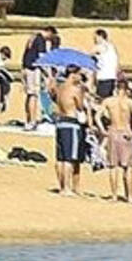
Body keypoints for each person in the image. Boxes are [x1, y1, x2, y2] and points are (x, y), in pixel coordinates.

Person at [98, 85, 132, 202]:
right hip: (126, 131)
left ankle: (114, 195)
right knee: (128, 167)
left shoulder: (108, 101)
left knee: (113, 166)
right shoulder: (129, 102)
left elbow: (97, 116)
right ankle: (130, 197)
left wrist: (102, 130)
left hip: (113, 131)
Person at [51, 68, 90, 196]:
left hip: (60, 122)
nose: (81, 77)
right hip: (71, 123)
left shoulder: (60, 88)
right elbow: (79, 106)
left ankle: (62, 186)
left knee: (60, 158)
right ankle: (66, 188)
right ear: (73, 75)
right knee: (69, 158)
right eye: (80, 75)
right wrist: (84, 93)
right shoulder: (75, 89)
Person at [20, 26, 58, 126]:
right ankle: (32, 120)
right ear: (49, 32)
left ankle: (29, 119)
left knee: (30, 95)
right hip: (33, 69)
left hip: (27, 67)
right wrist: (49, 75)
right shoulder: (40, 40)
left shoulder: (32, 38)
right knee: (33, 95)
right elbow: (42, 59)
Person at [92, 29, 120, 98]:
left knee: (101, 100)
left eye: (95, 38)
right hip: (112, 77)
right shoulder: (112, 47)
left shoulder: (99, 47)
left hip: (103, 77)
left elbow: (88, 56)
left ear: (100, 36)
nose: (94, 40)